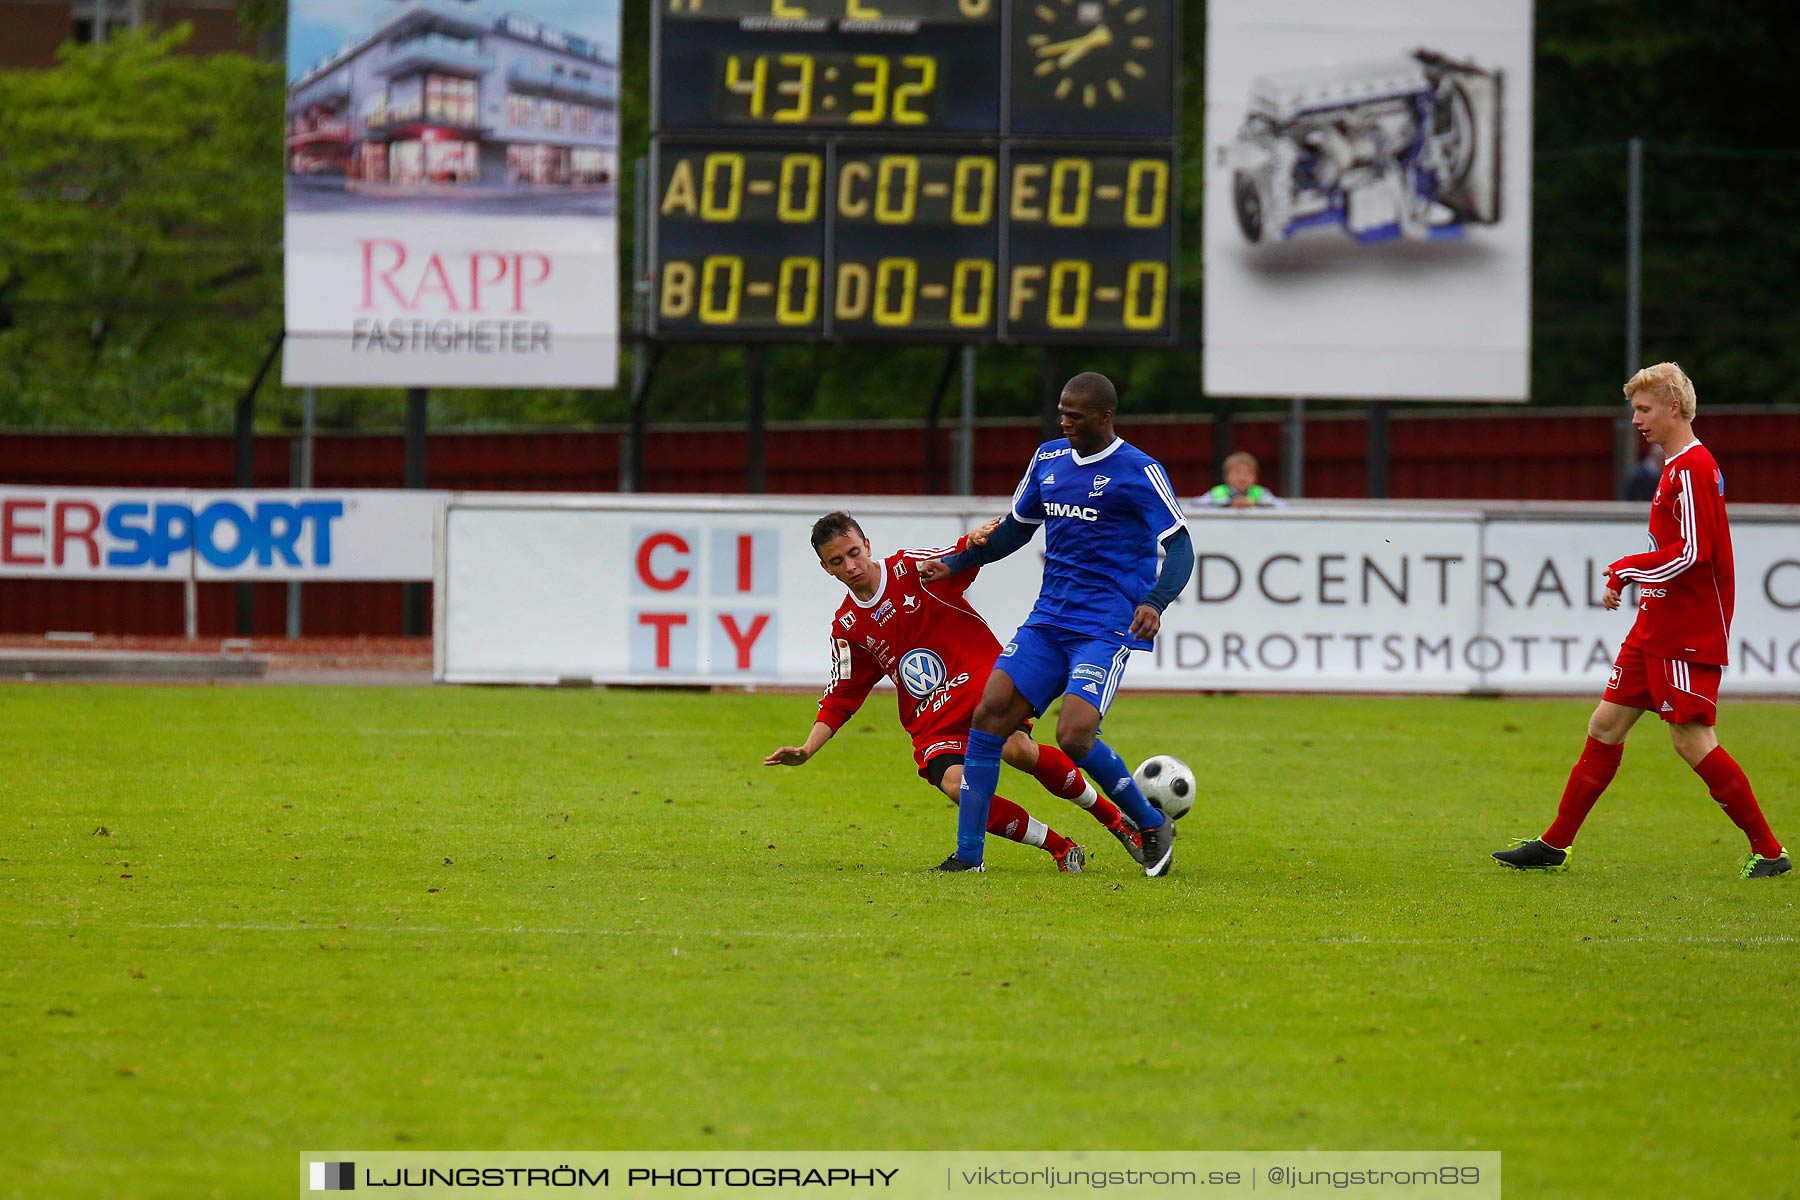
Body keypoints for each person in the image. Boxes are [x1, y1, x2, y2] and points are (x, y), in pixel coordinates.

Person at [1493, 363, 1788, 879]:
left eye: (1644, 409)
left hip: (1685, 631)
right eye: (1634, 410)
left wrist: (1625, 569)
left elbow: (1695, 551)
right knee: (1605, 726)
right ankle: (1555, 844)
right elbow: (1675, 550)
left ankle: (1769, 852)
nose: (1636, 420)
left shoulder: (1694, 468)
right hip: (1655, 623)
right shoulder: (1674, 467)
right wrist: (1633, 577)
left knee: (1691, 739)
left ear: (1673, 408)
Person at [919, 372, 1196, 877]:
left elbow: (1180, 545)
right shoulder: (1047, 459)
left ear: (1105, 417)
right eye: (1062, 411)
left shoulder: (1139, 470)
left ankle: (1151, 824)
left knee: (1074, 735)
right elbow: (1015, 531)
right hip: (1049, 619)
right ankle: (968, 857)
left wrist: (1155, 601)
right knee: (989, 715)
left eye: (1076, 414)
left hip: (1105, 626)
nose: (1064, 420)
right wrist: (957, 563)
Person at [764, 511, 1147, 873]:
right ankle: (1061, 848)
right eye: (836, 561)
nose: (850, 566)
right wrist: (807, 749)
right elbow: (841, 696)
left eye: (853, 553)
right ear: (824, 568)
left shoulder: (909, 569)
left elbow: (958, 558)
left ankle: (1113, 818)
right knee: (956, 785)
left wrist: (974, 540)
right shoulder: (847, 627)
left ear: (867, 544)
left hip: (981, 684)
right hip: (932, 717)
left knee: (1016, 749)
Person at [1199, 451, 1284, 508]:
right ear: (1226, 476)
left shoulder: (1261, 493)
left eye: (1248, 472)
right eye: (1237, 472)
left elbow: (1281, 505)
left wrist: (1255, 503)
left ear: (1255, 477)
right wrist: (1229, 503)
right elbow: (1198, 504)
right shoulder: (1217, 492)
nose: (1242, 477)